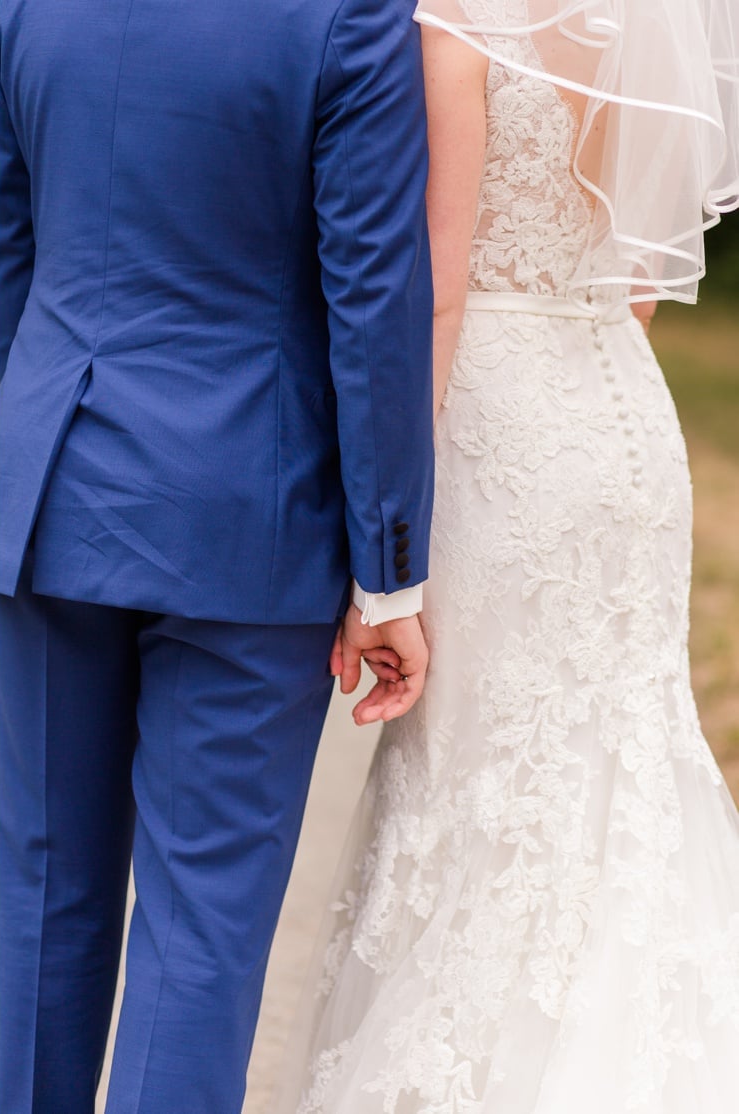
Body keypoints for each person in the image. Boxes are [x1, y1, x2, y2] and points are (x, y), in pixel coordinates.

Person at [276, 1, 739, 1109]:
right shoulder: (639, 24)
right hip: (626, 426)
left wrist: (386, 537)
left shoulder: (455, 27)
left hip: (505, 427)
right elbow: (634, 283)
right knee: (616, 750)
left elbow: (435, 287)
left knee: (479, 764)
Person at [0, 0, 438, 1107]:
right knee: (203, 929)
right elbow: (375, 292)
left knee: (40, 898)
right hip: (251, 510)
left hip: (54, 495)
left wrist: (26, 451)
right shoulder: (349, 15)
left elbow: (9, 253)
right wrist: (388, 574)